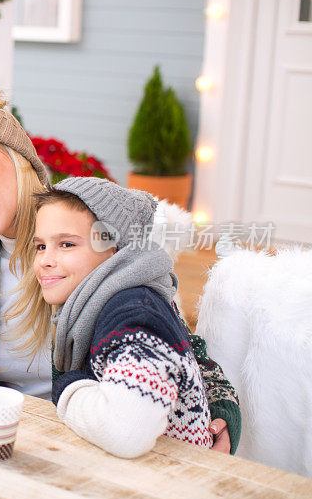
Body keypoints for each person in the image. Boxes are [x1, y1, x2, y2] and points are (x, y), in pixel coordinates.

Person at [0, 84, 241, 453]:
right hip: (3, 443)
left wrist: (222, 412)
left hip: (91, 448)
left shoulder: (92, 243)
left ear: (17, 158)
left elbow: (168, 337)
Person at [34, 178, 213, 458]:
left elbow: (127, 431)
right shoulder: (107, 302)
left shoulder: (133, 314)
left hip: (175, 476)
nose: (45, 260)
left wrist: (68, 386)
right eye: (40, 246)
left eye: (67, 244)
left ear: (116, 249)